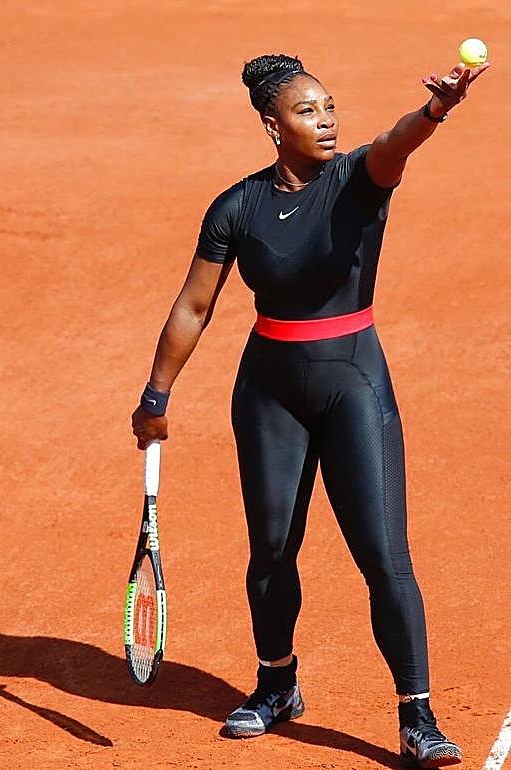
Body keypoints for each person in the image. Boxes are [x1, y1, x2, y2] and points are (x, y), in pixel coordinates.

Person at [131, 52, 489, 768]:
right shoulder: (237, 207)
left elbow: (395, 142)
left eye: (329, 108)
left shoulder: (360, 177)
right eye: (306, 111)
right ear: (273, 126)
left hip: (354, 384)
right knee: (271, 550)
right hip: (268, 390)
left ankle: (417, 715)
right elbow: (195, 305)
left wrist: (435, 110)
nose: (325, 121)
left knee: (383, 556)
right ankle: (277, 684)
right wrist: (155, 394)